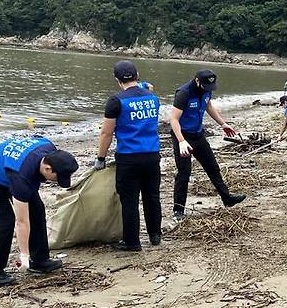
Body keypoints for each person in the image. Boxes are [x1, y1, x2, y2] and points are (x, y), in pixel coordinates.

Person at [0, 136, 79, 285]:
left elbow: (36, 139)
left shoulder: (48, 147)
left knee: (37, 210)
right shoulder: (22, 178)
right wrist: (24, 255)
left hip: (10, 168)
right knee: (5, 221)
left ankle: (40, 260)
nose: (57, 181)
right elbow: (22, 221)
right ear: (47, 168)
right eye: (57, 177)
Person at [95, 60, 162, 252]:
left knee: (130, 200)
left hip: (129, 157)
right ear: (137, 75)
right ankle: (155, 235)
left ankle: (132, 241)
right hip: (151, 154)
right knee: (152, 196)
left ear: (116, 79)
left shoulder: (116, 101)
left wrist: (100, 158)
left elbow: (106, 133)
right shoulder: (152, 98)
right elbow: (145, 88)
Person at [170, 69, 246, 219]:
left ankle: (227, 199)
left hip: (198, 135)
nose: (208, 89)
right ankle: (178, 210)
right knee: (184, 173)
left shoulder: (207, 90)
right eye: (205, 86)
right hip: (183, 137)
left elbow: (209, 106)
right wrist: (181, 141)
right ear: (197, 81)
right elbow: (173, 119)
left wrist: (223, 124)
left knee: (213, 167)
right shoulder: (184, 93)